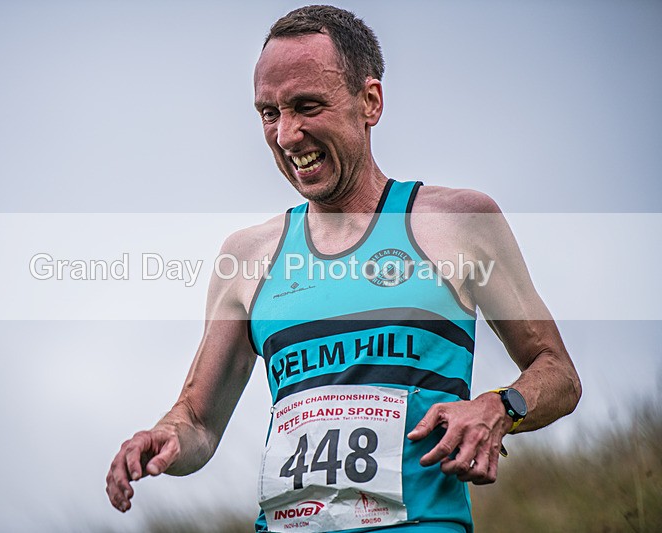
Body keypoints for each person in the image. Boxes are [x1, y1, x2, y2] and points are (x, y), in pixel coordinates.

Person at [105, 5, 581, 532]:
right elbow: (198, 422)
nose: (286, 135)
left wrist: (498, 407)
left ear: (370, 102)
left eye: (307, 106)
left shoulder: (457, 222)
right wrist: (165, 438)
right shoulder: (246, 257)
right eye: (269, 113)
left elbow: (557, 373)